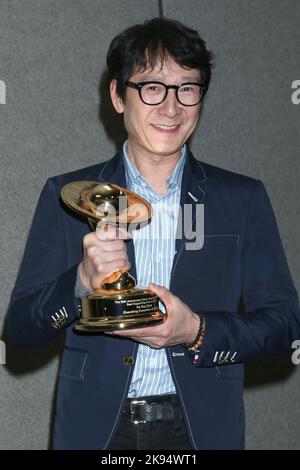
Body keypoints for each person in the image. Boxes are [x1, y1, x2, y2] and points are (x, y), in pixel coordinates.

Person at [7, 17, 300, 450]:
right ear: (117, 95)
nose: (171, 108)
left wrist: (197, 330)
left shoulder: (241, 199)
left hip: (200, 431)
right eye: (152, 87)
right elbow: (20, 331)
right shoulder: (68, 196)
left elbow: (285, 325)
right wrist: (80, 283)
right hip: (97, 430)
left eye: (187, 88)